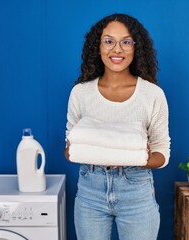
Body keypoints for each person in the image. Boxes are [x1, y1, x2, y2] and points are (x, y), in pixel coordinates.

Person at [64, 13, 170, 240]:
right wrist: (77, 149)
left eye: (126, 42)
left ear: (136, 47)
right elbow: (70, 147)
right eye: (109, 41)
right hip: (90, 190)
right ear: (98, 46)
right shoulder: (80, 93)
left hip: (136, 191)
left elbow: (162, 152)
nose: (117, 49)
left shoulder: (152, 95)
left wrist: (140, 159)